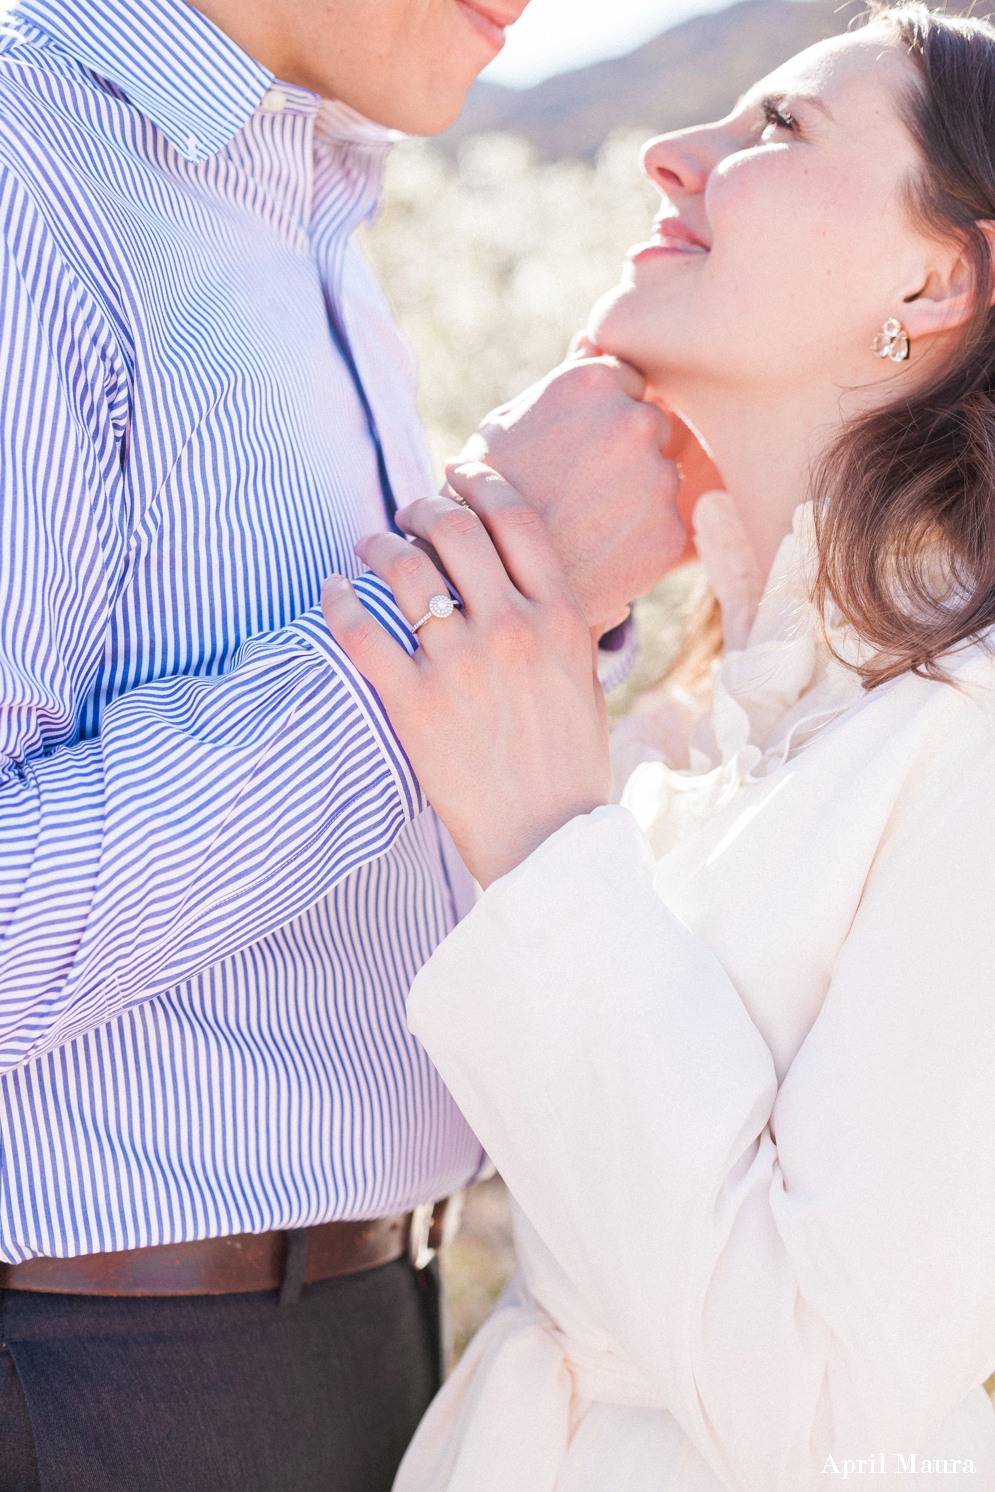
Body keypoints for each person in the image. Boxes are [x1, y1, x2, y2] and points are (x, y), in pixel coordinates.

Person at [0, 1, 687, 1488]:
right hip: (102, 1369)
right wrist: (478, 598)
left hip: (332, 1338)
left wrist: (512, 598)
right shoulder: (26, 179)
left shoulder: (290, 203)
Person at [322, 5, 995, 1486]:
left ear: (937, 276)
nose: (664, 155)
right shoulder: (709, 724)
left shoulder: (975, 754)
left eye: (777, 130)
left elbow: (824, 1401)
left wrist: (549, 846)